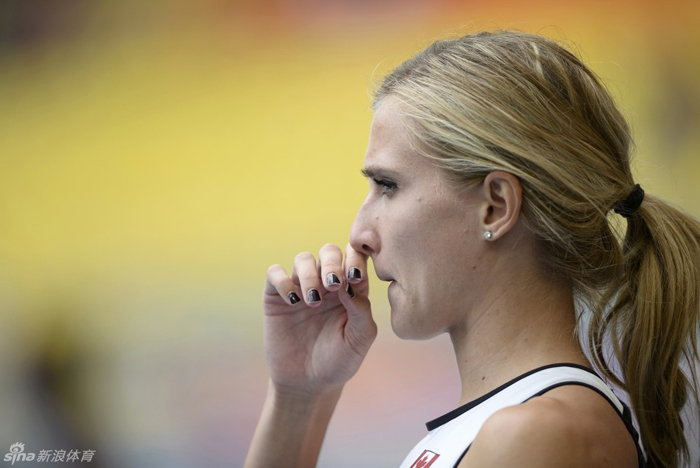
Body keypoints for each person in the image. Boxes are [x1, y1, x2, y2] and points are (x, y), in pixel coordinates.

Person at [243, 30, 700, 468]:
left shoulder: (536, 435)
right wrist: (300, 396)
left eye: (387, 185)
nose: (360, 234)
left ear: (495, 207)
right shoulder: (511, 425)